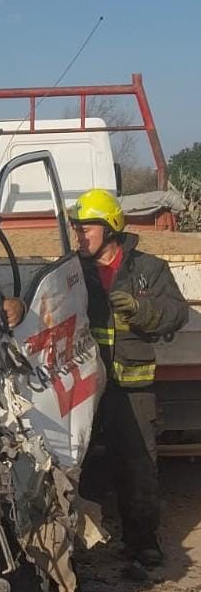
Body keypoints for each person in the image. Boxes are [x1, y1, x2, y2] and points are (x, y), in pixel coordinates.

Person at [70, 189, 188, 568]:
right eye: (76, 229)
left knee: (137, 465)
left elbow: (176, 313)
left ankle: (142, 542)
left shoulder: (148, 269)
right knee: (76, 464)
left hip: (130, 386)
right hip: (85, 388)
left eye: (86, 228)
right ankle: (75, 548)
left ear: (111, 229)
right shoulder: (70, 272)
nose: (79, 236)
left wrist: (141, 310)